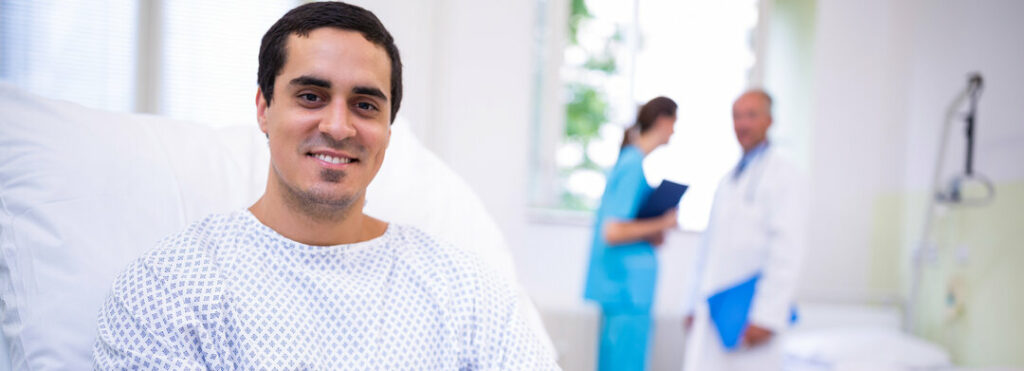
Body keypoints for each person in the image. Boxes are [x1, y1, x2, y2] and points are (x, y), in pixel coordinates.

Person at [92, 2, 557, 369]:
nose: (338, 126)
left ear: (388, 132)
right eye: (310, 96)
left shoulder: (468, 292)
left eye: (365, 105)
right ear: (263, 108)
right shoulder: (169, 292)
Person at [681, 89, 807, 370]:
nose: (743, 124)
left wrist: (768, 316)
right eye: (737, 116)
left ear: (769, 120)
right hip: (714, 309)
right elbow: (707, 250)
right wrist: (692, 303)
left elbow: (787, 251)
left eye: (752, 115)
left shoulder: (785, 175)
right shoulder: (727, 180)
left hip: (751, 314)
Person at [583, 96, 680, 370]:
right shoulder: (632, 165)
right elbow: (612, 231)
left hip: (629, 292)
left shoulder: (633, 165)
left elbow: (629, 225)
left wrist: (655, 229)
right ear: (663, 121)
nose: (675, 131)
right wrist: (662, 224)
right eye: (674, 123)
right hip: (625, 291)